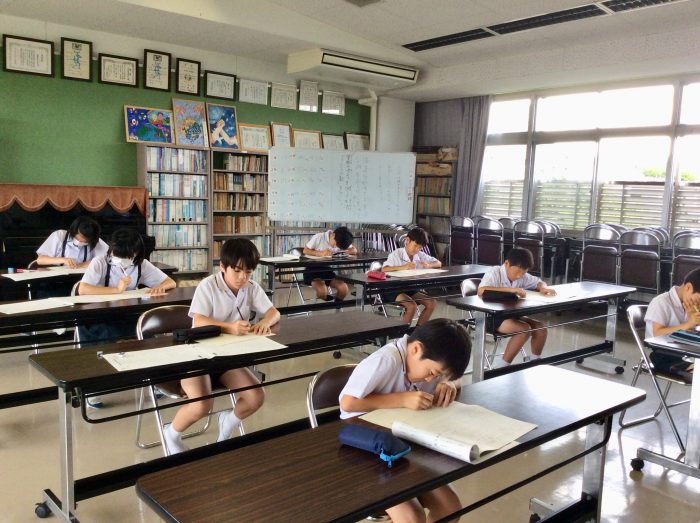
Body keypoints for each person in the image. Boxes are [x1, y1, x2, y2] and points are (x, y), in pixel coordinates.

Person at [339, 318, 470, 523]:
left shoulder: (427, 361)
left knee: (450, 508)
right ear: (415, 349)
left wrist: (450, 383)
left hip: (405, 445)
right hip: (366, 449)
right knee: (412, 518)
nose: (431, 379)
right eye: (432, 373)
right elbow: (347, 403)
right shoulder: (386, 361)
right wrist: (402, 399)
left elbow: (454, 377)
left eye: (438, 375)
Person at [163, 238, 280, 454]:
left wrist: (265, 321)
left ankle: (227, 421)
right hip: (197, 355)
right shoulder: (208, 285)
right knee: (202, 405)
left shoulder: (250, 287)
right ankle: (171, 433)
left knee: (256, 397)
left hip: (226, 357)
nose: (243, 277)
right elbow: (199, 320)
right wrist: (229, 327)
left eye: (248, 272)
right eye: (237, 271)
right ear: (223, 267)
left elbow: (274, 312)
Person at [78, 227, 176, 407]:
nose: (122, 259)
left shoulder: (141, 264)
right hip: (98, 315)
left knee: (148, 333)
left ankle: (156, 381)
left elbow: (170, 282)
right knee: (100, 339)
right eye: (118, 254)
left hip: (127, 314)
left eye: (127, 256)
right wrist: (115, 290)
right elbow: (83, 289)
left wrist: (159, 287)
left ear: (136, 253)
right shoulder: (100, 262)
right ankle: (91, 388)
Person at [477, 247, 556, 367]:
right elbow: (481, 290)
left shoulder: (522, 275)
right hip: (490, 316)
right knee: (524, 329)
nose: (520, 276)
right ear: (507, 263)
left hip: (511, 314)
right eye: (517, 272)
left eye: (523, 273)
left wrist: (543, 288)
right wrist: (511, 290)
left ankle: (535, 362)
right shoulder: (495, 272)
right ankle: (502, 366)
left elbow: (538, 282)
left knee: (540, 328)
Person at [644, 267, 699, 382]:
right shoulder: (661, 302)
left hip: (685, 351)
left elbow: (691, 334)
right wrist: (688, 324)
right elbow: (657, 333)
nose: (698, 304)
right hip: (663, 354)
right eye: (698, 300)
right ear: (688, 287)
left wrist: (693, 322)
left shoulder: (690, 305)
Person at [382, 227, 441, 325]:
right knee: (411, 306)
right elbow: (384, 269)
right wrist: (404, 267)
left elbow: (438, 263)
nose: (417, 249)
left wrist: (429, 265)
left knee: (431, 302)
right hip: (393, 288)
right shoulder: (397, 254)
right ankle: (403, 333)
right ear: (407, 240)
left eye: (420, 247)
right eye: (415, 245)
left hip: (409, 287)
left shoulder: (420, 255)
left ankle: (418, 331)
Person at [303, 226, 357, 302]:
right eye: (335, 245)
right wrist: (319, 253)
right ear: (333, 235)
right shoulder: (319, 237)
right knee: (322, 291)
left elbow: (354, 250)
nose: (336, 247)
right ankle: (328, 302)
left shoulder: (342, 239)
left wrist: (341, 252)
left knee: (344, 288)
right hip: (311, 271)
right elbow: (305, 250)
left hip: (326, 270)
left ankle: (335, 306)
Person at [36, 216, 109, 269]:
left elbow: (106, 259)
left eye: (84, 242)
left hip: (82, 277)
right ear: (73, 231)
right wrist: (63, 260)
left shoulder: (95, 239)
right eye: (78, 239)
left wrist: (81, 265)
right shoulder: (59, 235)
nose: (80, 242)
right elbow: (40, 260)